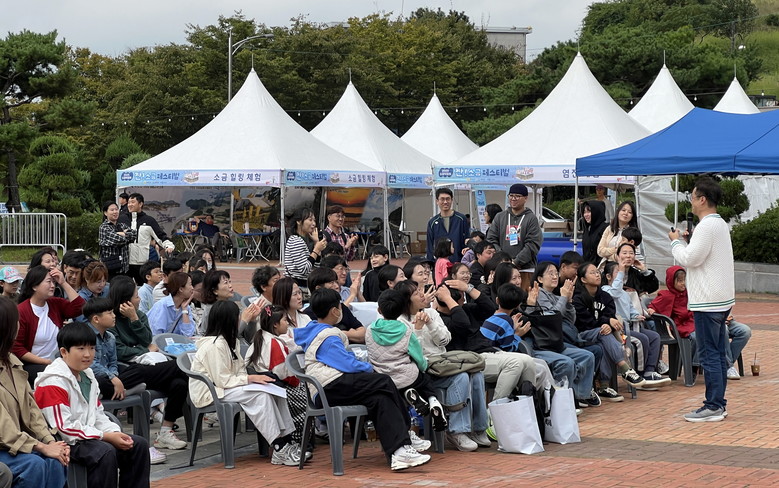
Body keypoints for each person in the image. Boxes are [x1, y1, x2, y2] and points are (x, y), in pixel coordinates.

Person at [293, 288, 432, 471]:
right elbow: (347, 364)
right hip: (328, 387)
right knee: (383, 381)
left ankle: (399, 452)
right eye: (340, 307)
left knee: (380, 398)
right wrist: (368, 368)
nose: (342, 310)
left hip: (333, 385)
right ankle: (406, 432)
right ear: (334, 311)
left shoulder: (317, 330)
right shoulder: (327, 337)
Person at [34, 322, 150, 487]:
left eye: (92, 348)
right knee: (105, 452)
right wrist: (105, 436)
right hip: (65, 441)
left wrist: (115, 433)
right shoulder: (52, 381)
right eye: (81, 349)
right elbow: (64, 428)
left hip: (88, 436)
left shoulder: (87, 375)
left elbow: (97, 414)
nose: (88, 354)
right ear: (64, 352)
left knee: (138, 445)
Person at [191, 300, 304, 466]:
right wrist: (251, 379)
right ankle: (279, 446)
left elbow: (238, 370)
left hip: (228, 386)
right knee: (260, 395)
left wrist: (252, 379)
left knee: (272, 389)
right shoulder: (213, 345)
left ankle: (287, 440)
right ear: (228, 320)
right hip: (211, 391)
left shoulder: (230, 341)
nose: (239, 320)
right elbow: (222, 380)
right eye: (237, 317)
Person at [80, 297, 188, 458]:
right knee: (143, 369)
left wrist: (115, 376)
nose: (114, 315)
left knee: (179, 383)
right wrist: (113, 378)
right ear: (96, 318)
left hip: (114, 381)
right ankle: (181, 367)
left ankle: (166, 432)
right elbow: (90, 364)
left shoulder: (109, 337)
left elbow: (113, 362)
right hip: (94, 383)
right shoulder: (85, 335)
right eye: (109, 313)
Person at [394, 282, 490, 451]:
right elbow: (415, 355)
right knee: (461, 377)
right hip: (424, 370)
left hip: (443, 363)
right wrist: (418, 330)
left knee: (476, 374)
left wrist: (430, 324)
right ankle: (456, 431)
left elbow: (445, 340)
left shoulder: (431, 312)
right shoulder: (400, 322)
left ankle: (479, 428)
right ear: (406, 300)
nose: (422, 295)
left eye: (420, 290)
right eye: (416, 293)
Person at [668, 177, 735, 422]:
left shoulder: (707, 226)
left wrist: (676, 242)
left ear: (703, 199)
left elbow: (690, 259)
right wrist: (688, 242)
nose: (691, 202)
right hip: (720, 299)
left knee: (709, 354)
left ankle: (714, 405)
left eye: (693, 197)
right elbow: (701, 256)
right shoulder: (719, 224)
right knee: (717, 353)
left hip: (708, 301)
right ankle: (718, 403)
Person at [0, 297, 68, 488]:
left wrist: (50, 442)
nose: (19, 325)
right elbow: (4, 430)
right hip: (5, 444)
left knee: (56, 460)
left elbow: (32, 411)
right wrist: (41, 447)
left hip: (18, 443)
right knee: (33, 465)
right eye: (16, 321)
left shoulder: (12, 362)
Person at [366, 288, 447, 430]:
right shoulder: (407, 332)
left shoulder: (369, 330)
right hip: (408, 378)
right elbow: (420, 360)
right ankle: (433, 401)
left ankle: (410, 397)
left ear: (379, 310)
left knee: (400, 387)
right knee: (424, 379)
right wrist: (424, 366)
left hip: (383, 379)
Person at [528, 262, 602, 407]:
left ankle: (580, 395)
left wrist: (568, 301)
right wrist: (563, 298)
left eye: (556, 273)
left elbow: (570, 320)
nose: (555, 276)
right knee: (573, 359)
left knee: (588, 355)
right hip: (545, 343)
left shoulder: (555, 295)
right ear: (540, 279)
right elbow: (552, 316)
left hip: (558, 340)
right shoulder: (539, 294)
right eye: (550, 273)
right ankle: (568, 398)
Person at [572, 263, 646, 400]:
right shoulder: (578, 298)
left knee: (603, 341)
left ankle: (604, 386)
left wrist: (607, 324)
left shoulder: (605, 296)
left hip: (601, 334)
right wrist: (605, 323)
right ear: (583, 279)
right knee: (603, 333)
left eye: (597, 272)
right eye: (592, 273)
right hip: (582, 334)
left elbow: (610, 315)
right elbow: (585, 322)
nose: (597, 275)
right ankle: (625, 369)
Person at [245, 305, 310, 448]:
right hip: (277, 385)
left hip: (268, 384)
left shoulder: (261, 336)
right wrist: (298, 382)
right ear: (275, 324)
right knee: (307, 399)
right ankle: (298, 441)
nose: (287, 323)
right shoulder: (274, 343)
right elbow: (284, 374)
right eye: (285, 320)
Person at [601, 259, 670, 388]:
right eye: (618, 272)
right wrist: (622, 271)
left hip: (631, 326)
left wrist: (636, 315)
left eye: (622, 272)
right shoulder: (606, 290)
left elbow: (631, 309)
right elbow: (615, 293)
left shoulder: (625, 292)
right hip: (619, 331)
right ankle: (639, 374)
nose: (622, 274)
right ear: (608, 276)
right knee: (642, 339)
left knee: (654, 336)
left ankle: (649, 371)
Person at [479, 284, 553, 398]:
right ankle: (543, 399)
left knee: (541, 364)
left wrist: (513, 332)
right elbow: (510, 348)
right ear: (518, 305)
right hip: (495, 357)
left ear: (497, 300)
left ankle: (547, 397)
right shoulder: (506, 320)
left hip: (489, 355)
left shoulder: (492, 318)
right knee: (541, 369)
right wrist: (517, 335)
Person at [15, 265, 85, 384]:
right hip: (33, 365)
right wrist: (46, 362)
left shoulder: (54, 304)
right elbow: (17, 348)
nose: (53, 285)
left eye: (54, 282)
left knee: (86, 375)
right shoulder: (22, 311)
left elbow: (79, 307)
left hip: (59, 361)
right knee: (60, 378)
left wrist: (63, 282)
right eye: (48, 282)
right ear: (34, 286)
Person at [486, 184, 543, 291]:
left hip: (525, 270)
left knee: (524, 297)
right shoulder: (500, 217)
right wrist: (503, 260)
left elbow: (533, 244)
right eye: (511, 195)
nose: (513, 198)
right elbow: (491, 239)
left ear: (525, 198)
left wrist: (516, 262)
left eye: (517, 196)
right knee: (503, 296)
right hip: (502, 269)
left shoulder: (531, 219)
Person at [117, 193, 175, 284]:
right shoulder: (121, 219)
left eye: (133, 202)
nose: (130, 205)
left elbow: (160, 236)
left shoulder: (149, 220)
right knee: (125, 288)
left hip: (142, 264)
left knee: (144, 287)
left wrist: (168, 246)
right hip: (125, 263)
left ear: (140, 204)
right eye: (129, 202)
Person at [302, 268, 365, 343]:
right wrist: (351, 333)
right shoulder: (309, 314)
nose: (337, 286)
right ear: (318, 288)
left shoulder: (342, 307)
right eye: (331, 283)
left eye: (336, 282)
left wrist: (344, 333)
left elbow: (362, 333)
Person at [283, 208, 327, 287]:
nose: (313, 224)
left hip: (305, 285)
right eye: (310, 220)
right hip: (297, 286)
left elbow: (316, 267)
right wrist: (316, 249)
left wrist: (316, 243)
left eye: (314, 220)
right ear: (299, 221)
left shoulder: (303, 240)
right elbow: (304, 269)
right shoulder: (295, 240)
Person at [426, 188, 469, 263]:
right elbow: (430, 246)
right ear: (437, 201)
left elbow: (467, 239)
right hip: (440, 264)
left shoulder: (461, 219)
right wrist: (431, 263)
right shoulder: (432, 222)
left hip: (458, 262)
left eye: (448, 199)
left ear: (452, 200)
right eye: (442, 199)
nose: (445, 202)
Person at [146, 272, 195, 336]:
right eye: (190, 284)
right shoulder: (162, 306)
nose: (192, 288)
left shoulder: (185, 306)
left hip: (174, 341)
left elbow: (188, 334)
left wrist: (184, 310)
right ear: (181, 289)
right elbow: (155, 334)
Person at [99, 200, 136, 279]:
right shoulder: (104, 227)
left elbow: (134, 234)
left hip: (124, 268)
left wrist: (121, 234)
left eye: (116, 209)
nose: (115, 212)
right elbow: (118, 240)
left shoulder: (122, 225)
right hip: (111, 269)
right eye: (112, 210)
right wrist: (124, 234)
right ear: (105, 213)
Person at [271, 277, 311, 349]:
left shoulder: (305, 318)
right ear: (284, 297)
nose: (299, 297)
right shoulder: (278, 323)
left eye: (299, 292)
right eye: (295, 294)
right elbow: (290, 347)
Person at [198, 270, 235, 335]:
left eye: (230, 282)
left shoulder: (228, 303)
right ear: (215, 290)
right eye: (226, 283)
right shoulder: (212, 309)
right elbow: (229, 335)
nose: (230, 286)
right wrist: (244, 320)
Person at [580, 200, 608, 265]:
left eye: (589, 212)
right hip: (587, 266)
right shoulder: (587, 228)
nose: (586, 215)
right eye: (584, 212)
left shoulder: (605, 228)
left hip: (600, 266)